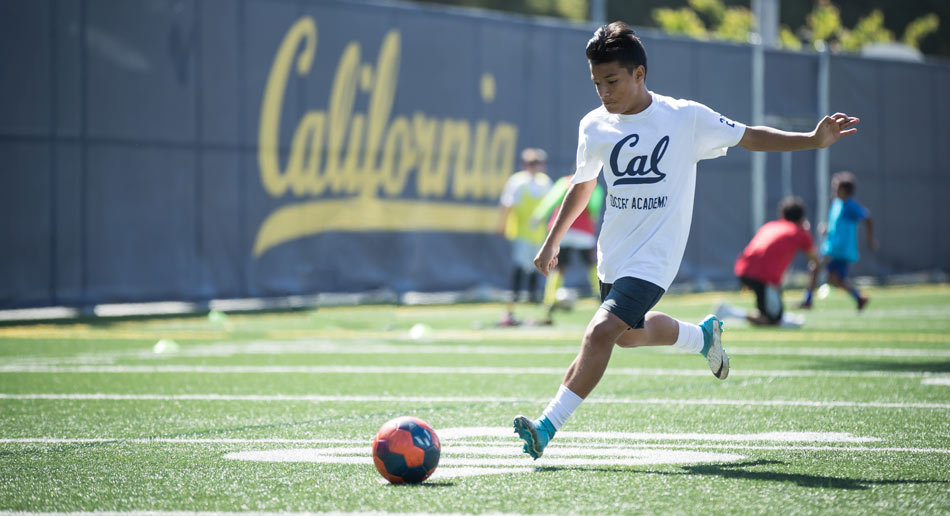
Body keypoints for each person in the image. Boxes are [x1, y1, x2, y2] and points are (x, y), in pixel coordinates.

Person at [512, 21, 860, 459]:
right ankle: (702, 337)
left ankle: (545, 428)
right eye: (596, 83)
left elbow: (749, 135)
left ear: (640, 73)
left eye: (612, 81)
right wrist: (552, 241)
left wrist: (812, 140)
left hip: (656, 259)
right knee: (627, 336)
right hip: (613, 255)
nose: (603, 92)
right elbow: (582, 185)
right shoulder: (594, 125)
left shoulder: (684, 117)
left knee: (600, 332)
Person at [714, 196, 818, 327]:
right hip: (762, 276)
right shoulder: (800, 233)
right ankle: (728, 312)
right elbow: (815, 260)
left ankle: (733, 312)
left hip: (743, 268)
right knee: (773, 319)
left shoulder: (771, 226)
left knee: (769, 312)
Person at [531, 173, 604, 325]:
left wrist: (538, 216)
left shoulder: (565, 182)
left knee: (559, 267)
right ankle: (601, 296)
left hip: (564, 232)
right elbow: (594, 209)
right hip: (583, 232)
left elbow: (551, 201)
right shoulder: (594, 186)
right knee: (591, 264)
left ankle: (549, 301)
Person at [800, 171, 876, 310]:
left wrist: (870, 239)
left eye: (836, 188)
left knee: (814, 266)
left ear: (845, 191)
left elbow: (868, 218)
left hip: (838, 249)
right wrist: (828, 229)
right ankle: (859, 298)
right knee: (835, 279)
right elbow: (839, 226)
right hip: (833, 247)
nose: (834, 190)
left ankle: (808, 300)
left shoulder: (850, 205)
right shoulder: (837, 204)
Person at [497, 148, 553, 326]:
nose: (535, 166)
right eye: (531, 163)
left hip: (539, 235)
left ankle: (534, 303)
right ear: (524, 164)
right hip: (521, 233)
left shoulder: (545, 182)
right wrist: (502, 225)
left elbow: (552, 207)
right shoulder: (517, 182)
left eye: (538, 163)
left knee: (538, 268)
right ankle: (512, 304)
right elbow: (507, 205)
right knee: (520, 267)